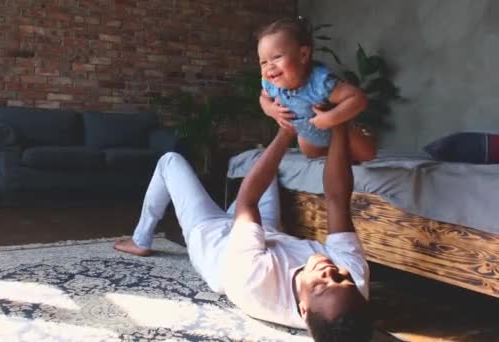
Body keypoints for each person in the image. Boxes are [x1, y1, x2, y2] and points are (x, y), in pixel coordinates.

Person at [114, 123, 372, 341]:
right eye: (341, 278)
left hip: (212, 239)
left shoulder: (256, 282)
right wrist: (339, 125)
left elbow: (248, 201)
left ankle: (140, 239)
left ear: (303, 310)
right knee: (266, 171)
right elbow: (338, 199)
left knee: (170, 161)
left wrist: (285, 131)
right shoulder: (354, 283)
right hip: (263, 235)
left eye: (321, 286)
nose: (329, 272)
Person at [257, 17, 377, 162]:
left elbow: (358, 98)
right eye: (263, 62)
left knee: (366, 154)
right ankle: (335, 157)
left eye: (276, 57)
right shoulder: (272, 84)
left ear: (303, 55)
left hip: (339, 131)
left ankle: (354, 141)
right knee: (309, 150)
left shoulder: (319, 83)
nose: (269, 66)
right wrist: (271, 109)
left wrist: (330, 118)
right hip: (312, 137)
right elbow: (263, 97)